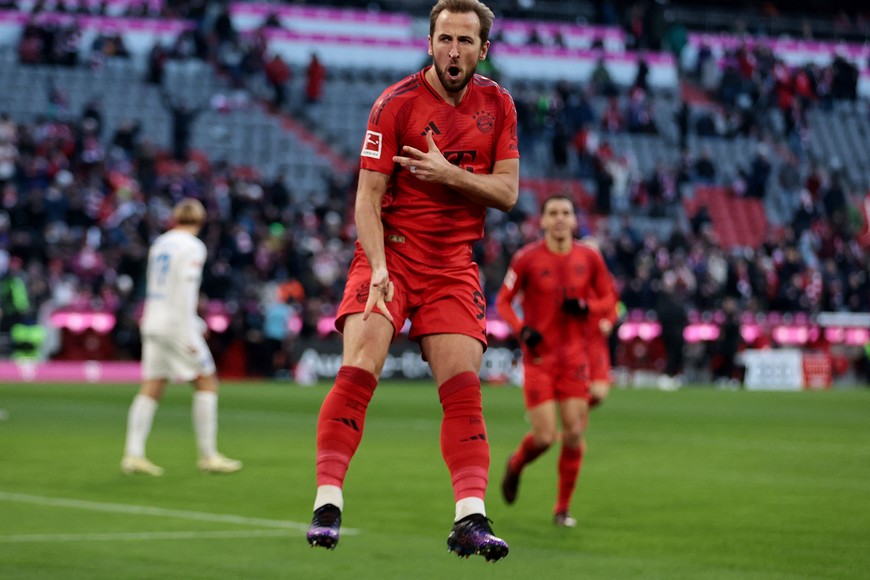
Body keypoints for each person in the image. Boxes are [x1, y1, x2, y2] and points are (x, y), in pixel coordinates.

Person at [306, 0, 518, 562]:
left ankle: (469, 518)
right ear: (430, 44)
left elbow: (508, 193)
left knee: (464, 390)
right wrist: (377, 266)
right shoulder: (394, 104)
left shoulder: (499, 104)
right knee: (360, 366)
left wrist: (448, 173)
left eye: (465, 41)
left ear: (482, 50)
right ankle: (327, 503)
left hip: (452, 263)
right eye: (445, 39)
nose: (454, 51)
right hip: (391, 256)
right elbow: (367, 199)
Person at [495, 195, 616, 527]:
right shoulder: (526, 259)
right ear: (543, 221)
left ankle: (562, 509)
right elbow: (503, 302)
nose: (560, 218)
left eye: (566, 212)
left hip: (574, 359)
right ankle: (516, 464)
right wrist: (521, 329)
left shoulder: (589, 258)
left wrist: (587, 308)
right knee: (546, 437)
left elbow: (609, 299)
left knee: (574, 433)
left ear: (575, 221)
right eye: (553, 213)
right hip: (539, 359)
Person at [121, 199, 242, 476]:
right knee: (206, 380)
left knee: (153, 383)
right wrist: (193, 324)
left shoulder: (160, 243)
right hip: (176, 323)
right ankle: (208, 455)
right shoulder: (193, 246)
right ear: (201, 221)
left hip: (152, 318)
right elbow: (186, 289)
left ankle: (133, 454)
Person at [579, 236, 618, 409]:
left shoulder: (607, 279)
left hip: (596, 339)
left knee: (599, 392)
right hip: (574, 339)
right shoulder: (571, 278)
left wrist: (609, 322)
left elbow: (615, 306)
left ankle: (572, 412)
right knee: (576, 387)